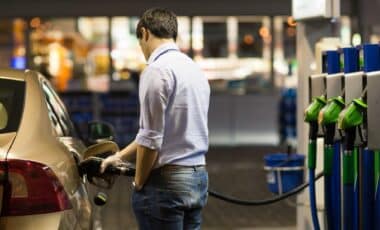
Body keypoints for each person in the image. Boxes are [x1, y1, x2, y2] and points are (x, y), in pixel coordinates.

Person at [100, 8, 210, 229]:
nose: (141, 48)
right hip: (197, 177)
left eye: (139, 41)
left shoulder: (156, 70)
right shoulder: (194, 70)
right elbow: (158, 133)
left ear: (145, 33)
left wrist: (140, 182)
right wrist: (119, 156)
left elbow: (152, 139)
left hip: (166, 182)